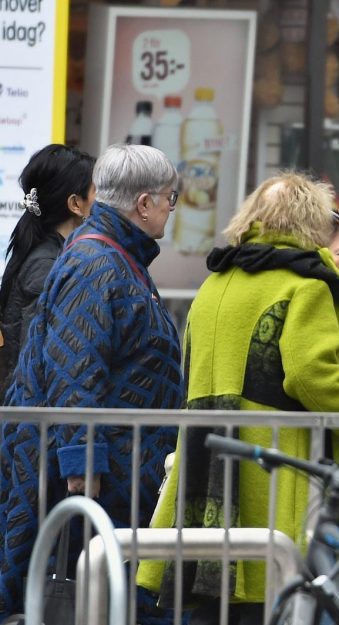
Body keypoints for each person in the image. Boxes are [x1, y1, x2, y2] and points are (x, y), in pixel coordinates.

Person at [137, 173, 339, 625]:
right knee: (278, 593)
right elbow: (314, 377)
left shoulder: (215, 282)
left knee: (218, 602)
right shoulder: (304, 281)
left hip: (205, 462)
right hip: (276, 468)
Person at [0, 143, 184, 619]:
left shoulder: (116, 257)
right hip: (102, 484)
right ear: (144, 204)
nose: (171, 209)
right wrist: (83, 466)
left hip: (119, 473)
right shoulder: (98, 264)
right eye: (170, 198)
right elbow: (75, 371)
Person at [0, 144, 96, 395]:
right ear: (76, 204)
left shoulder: (49, 254)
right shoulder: (47, 265)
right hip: (31, 423)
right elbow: (33, 359)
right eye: (96, 190)